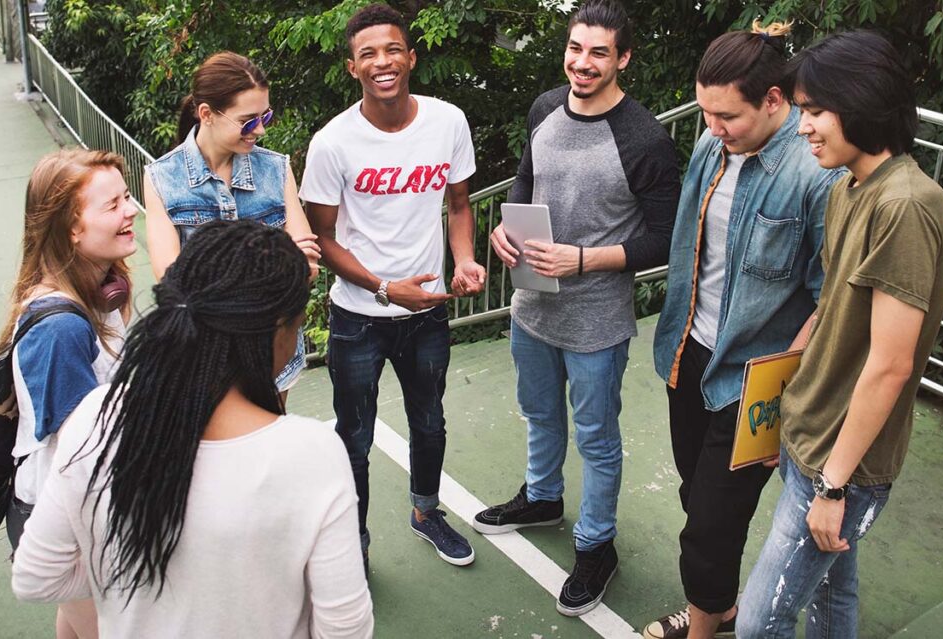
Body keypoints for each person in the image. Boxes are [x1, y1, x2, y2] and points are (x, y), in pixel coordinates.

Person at [12, 221, 375, 638]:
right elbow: (345, 630)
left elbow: (35, 578)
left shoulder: (95, 417)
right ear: (278, 330)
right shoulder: (314, 454)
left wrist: (130, 566)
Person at [736, 31, 943, 638]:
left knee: (762, 621)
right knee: (833, 595)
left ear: (861, 102)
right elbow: (833, 305)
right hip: (809, 429)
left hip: (842, 463)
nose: (803, 126)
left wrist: (833, 486)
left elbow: (890, 365)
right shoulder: (848, 187)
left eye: (814, 111)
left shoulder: (905, 206)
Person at [475, 0, 680, 616]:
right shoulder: (544, 107)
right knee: (539, 414)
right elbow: (523, 180)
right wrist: (503, 229)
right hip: (532, 305)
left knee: (596, 438)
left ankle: (597, 546)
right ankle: (542, 497)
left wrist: (584, 260)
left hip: (596, 320)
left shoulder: (643, 138)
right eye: (575, 48)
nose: (582, 63)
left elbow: (666, 238)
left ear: (623, 59)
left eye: (598, 52)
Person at [645, 22, 844, 639]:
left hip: (757, 378)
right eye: (705, 113)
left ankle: (705, 627)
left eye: (726, 115)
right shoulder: (712, 147)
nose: (713, 128)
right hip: (689, 351)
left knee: (709, 523)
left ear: (776, 100)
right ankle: (720, 610)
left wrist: (786, 377)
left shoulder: (815, 175)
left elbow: (831, 295)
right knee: (694, 497)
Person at [299, 3, 486, 571]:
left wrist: (465, 260)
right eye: (367, 55)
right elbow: (324, 238)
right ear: (353, 68)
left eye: (391, 50)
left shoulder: (447, 121)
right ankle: (353, 543)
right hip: (358, 319)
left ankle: (426, 513)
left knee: (430, 422)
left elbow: (458, 204)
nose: (382, 62)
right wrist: (384, 288)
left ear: (410, 55)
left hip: (426, 313)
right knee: (353, 438)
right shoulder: (332, 144)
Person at [0, 148, 138, 639]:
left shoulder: (99, 288)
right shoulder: (60, 330)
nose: (132, 210)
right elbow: (81, 452)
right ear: (71, 230)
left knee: (77, 626)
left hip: (75, 510)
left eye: (127, 197)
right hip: (72, 522)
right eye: (113, 205)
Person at [143, 51, 320, 395]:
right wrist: (271, 269)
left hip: (272, 352)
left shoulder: (276, 169)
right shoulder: (163, 177)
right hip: (202, 357)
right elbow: (172, 282)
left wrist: (221, 278)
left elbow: (307, 266)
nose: (261, 129)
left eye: (265, 115)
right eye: (249, 120)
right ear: (207, 114)